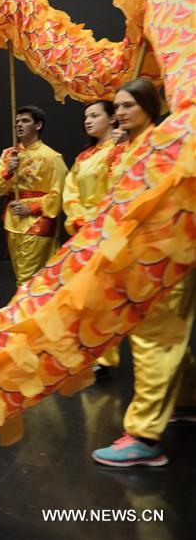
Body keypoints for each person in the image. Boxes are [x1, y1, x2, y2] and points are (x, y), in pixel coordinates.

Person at [92, 78, 195, 467]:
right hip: (145, 253)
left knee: (153, 339)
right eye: (116, 106)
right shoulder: (134, 146)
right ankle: (186, 401)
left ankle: (145, 436)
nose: (119, 112)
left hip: (161, 255)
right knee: (170, 334)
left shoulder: (161, 144)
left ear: (150, 106)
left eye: (128, 106)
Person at [62, 100, 123, 377]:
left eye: (95, 115)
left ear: (113, 119)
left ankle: (105, 354)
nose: (87, 121)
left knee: (107, 296)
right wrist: (76, 218)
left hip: (112, 230)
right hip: (84, 231)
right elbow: (71, 191)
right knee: (89, 296)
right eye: (86, 116)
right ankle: (96, 352)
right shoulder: (84, 157)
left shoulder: (124, 151)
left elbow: (121, 190)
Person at [0, 106, 68, 285]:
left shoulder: (52, 157)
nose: (19, 125)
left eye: (25, 121)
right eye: (17, 122)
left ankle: (25, 311)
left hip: (38, 221)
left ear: (38, 125)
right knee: (20, 273)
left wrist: (31, 208)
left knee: (28, 278)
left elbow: (60, 193)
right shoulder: (9, 154)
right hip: (12, 219)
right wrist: (8, 170)